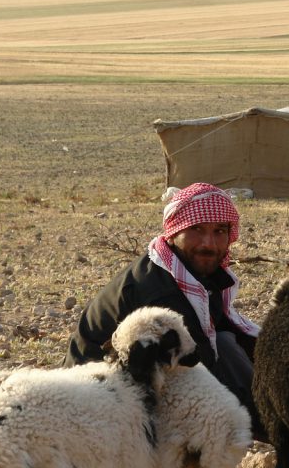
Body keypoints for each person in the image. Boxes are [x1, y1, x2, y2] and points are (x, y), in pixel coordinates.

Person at [65, 182, 263, 443]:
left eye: (219, 231)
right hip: (97, 406)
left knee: (229, 343)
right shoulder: (161, 293)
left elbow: (223, 334)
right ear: (174, 232)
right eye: (196, 229)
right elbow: (200, 368)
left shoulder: (191, 272)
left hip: (132, 387)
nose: (209, 243)